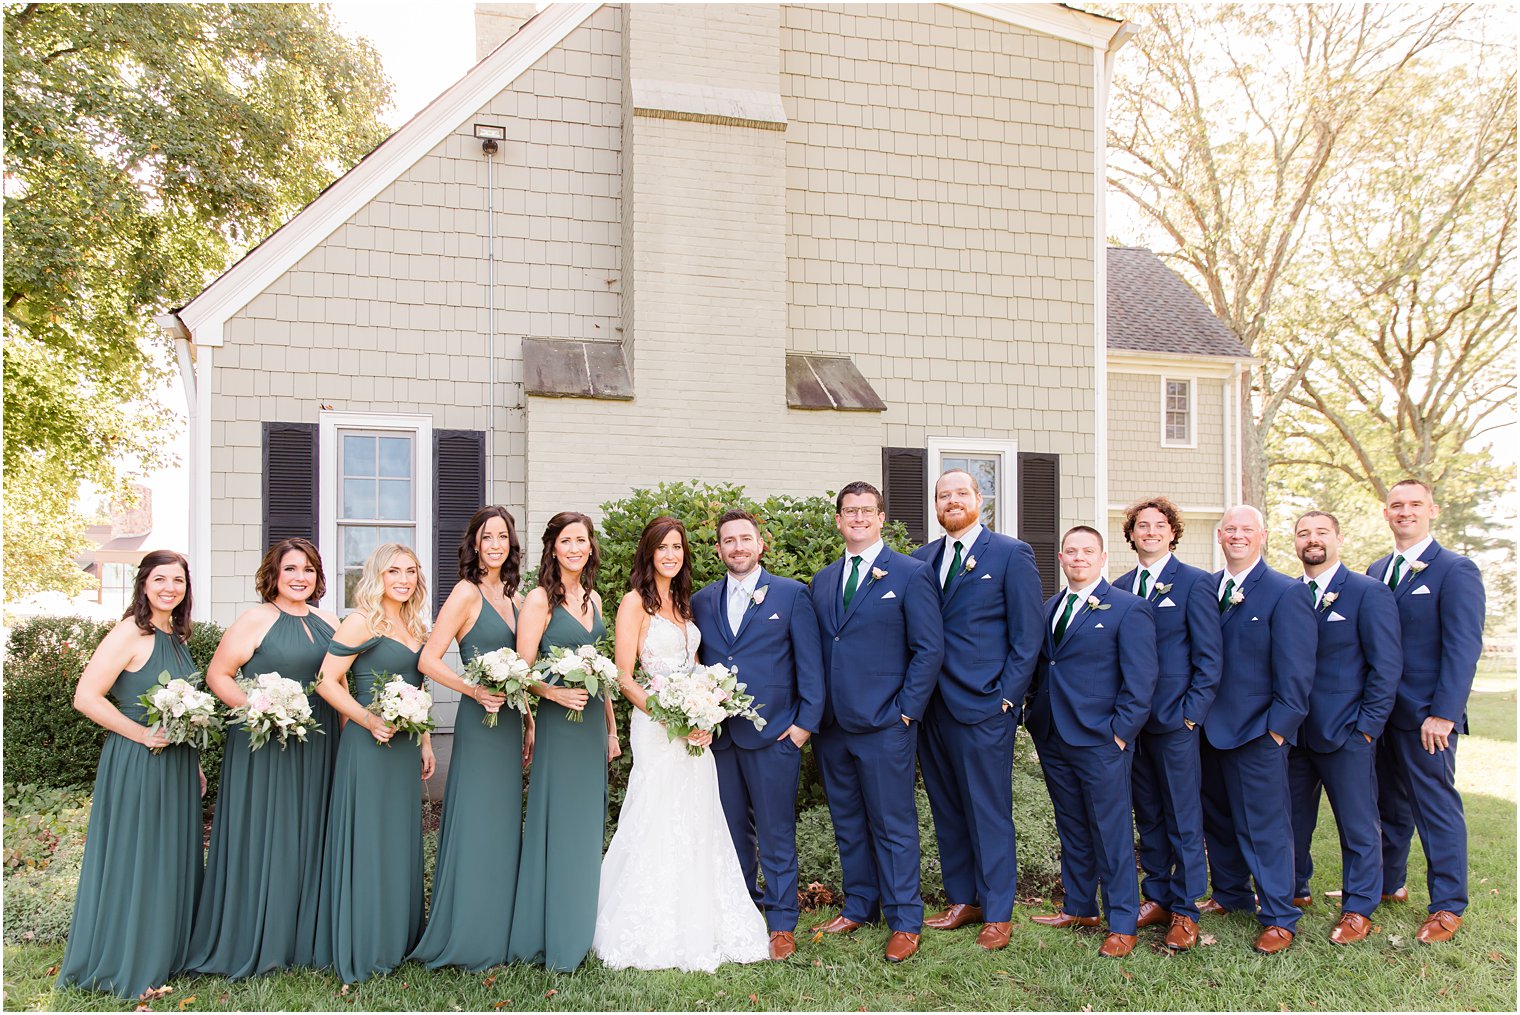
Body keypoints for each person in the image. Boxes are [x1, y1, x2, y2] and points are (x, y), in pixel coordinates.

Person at [593, 516, 771, 971]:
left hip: (692, 727)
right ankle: (647, 921)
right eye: (662, 547)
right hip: (656, 726)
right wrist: (668, 715)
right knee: (656, 811)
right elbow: (624, 676)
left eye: (677, 547)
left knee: (697, 815)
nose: (670, 555)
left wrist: (705, 713)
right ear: (648, 553)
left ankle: (703, 917)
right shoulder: (635, 603)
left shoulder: (684, 602)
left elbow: (695, 667)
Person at [186, 538, 340, 977]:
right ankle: (257, 934)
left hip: (318, 743)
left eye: (308, 570)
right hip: (266, 745)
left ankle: (302, 938)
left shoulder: (327, 620)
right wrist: (261, 712)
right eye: (291, 569)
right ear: (273, 575)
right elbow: (219, 674)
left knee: (310, 831)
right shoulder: (257, 618)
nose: (299, 578)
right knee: (270, 833)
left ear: (318, 577)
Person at [57, 550, 206, 998]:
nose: (169, 588)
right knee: (139, 856)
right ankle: (129, 955)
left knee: (169, 856)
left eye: (178, 581)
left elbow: (184, 712)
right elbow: (87, 697)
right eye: (160, 579)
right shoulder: (130, 632)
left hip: (176, 763)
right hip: (139, 761)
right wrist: (141, 735)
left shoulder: (176, 637)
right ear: (143, 584)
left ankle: (165, 950)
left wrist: (195, 762)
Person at [808, 481, 943, 963]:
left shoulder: (910, 574)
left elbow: (928, 648)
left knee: (893, 823)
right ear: (839, 519)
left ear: (881, 517)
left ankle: (905, 919)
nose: (858, 518)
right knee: (847, 821)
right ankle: (860, 905)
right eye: (850, 511)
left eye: (867, 510)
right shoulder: (823, 581)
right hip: (832, 727)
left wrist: (906, 710)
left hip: (887, 723)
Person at [909, 469, 1042, 951]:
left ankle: (1000, 911)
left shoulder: (1011, 554)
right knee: (947, 807)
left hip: (985, 704)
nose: (951, 501)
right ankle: (964, 899)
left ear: (979, 499)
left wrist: (1007, 696)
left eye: (960, 493)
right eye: (943, 496)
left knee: (988, 810)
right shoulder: (920, 560)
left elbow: (1028, 638)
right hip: (933, 707)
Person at [691, 509, 825, 960]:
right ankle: (744, 911)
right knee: (731, 833)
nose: (738, 547)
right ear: (718, 550)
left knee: (776, 832)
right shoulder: (702, 601)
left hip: (775, 738)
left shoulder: (790, 595)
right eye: (728, 541)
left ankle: (783, 922)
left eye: (745, 539)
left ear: (760, 544)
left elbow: (810, 665)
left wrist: (804, 727)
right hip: (721, 738)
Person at [409, 507, 534, 971]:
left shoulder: (515, 598)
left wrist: (531, 723)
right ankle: (468, 931)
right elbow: (428, 659)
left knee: (503, 822)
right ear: (475, 544)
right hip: (478, 723)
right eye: (487, 537)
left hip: (510, 724)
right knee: (478, 821)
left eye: (503, 536)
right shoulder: (466, 592)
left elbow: (523, 671)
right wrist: (473, 689)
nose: (496, 544)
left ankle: (499, 928)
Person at [1026, 526, 1158, 959]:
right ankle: (1080, 907)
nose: (1078, 558)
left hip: (1103, 739)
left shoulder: (1129, 609)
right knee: (1072, 826)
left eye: (1088, 551)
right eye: (1071, 551)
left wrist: (1120, 733)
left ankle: (1122, 920)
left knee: (1111, 831)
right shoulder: (1048, 608)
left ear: (1103, 559)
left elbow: (1141, 682)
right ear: (1061, 559)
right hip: (1053, 735)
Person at [1368, 478, 1485, 943]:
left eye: (1415, 504)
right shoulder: (1377, 570)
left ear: (1432, 510)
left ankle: (1448, 905)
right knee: (1388, 806)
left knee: (1435, 808)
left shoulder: (1455, 570)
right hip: (1381, 715)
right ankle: (1388, 883)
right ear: (1386, 512)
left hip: (1427, 717)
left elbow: (1462, 647)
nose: (1405, 512)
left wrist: (1445, 713)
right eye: (1397, 505)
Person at [313, 543, 436, 983]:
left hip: (404, 748)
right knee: (369, 840)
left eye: (410, 571)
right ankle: (364, 941)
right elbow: (326, 681)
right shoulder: (360, 621)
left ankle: (397, 939)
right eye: (393, 572)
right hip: (368, 746)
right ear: (377, 576)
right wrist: (366, 719)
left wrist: (424, 742)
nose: (403, 579)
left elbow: (419, 689)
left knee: (399, 840)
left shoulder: (417, 625)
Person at [1198, 505, 1316, 955]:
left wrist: (1278, 732)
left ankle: (1280, 915)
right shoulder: (1207, 588)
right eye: (1230, 529)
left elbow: (1297, 670)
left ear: (1262, 536)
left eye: (1246, 529)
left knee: (1264, 827)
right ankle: (1231, 895)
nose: (1237, 535)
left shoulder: (1286, 592)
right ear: (1219, 536)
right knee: (1219, 819)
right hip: (1208, 729)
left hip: (1258, 731)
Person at [508, 511, 620, 971]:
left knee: (587, 822)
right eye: (567, 541)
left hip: (592, 723)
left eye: (583, 540)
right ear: (552, 547)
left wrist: (612, 729)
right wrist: (551, 692)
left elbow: (603, 672)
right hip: (559, 723)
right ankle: (549, 932)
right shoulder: (539, 600)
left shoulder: (592, 598)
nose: (576, 548)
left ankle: (581, 925)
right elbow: (521, 666)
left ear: (591, 547)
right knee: (558, 821)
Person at [1112, 498, 1222, 951]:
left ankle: (1185, 909)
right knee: (1149, 815)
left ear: (1173, 532)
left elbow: (1209, 659)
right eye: (1142, 525)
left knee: (1182, 817)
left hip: (1175, 721)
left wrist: (1191, 716)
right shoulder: (1118, 586)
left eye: (1159, 525)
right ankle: (1155, 895)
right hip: (1130, 725)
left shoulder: (1195, 583)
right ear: (1132, 534)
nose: (1151, 531)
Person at [1289, 510, 1401, 944]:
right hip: (1293, 735)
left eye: (1320, 532)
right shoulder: (1289, 593)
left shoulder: (1367, 592)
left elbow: (1385, 668)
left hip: (1347, 732)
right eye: (1303, 534)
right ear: (1295, 543)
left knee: (1357, 826)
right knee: (1291, 822)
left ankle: (1358, 907)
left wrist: (1367, 729)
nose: (1311, 540)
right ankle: (1294, 890)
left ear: (1338, 538)